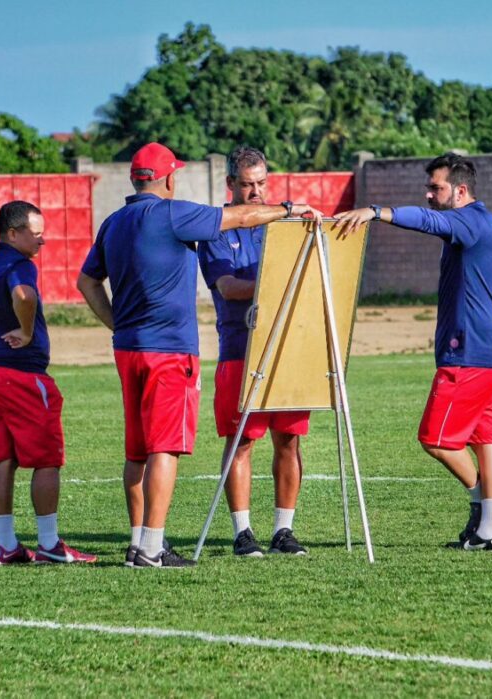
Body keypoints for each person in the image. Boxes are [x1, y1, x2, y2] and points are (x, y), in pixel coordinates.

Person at [76, 142, 324, 568]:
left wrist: (118, 323)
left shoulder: (113, 223)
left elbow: (86, 283)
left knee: (138, 451)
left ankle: (140, 543)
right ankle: (153, 547)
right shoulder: (176, 214)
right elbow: (239, 231)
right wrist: (290, 210)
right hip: (171, 351)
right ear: (170, 178)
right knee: (165, 448)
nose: (255, 191)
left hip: (131, 348)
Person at [335, 153, 492, 552]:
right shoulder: (491, 227)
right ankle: (489, 531)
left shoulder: (466, 221)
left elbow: (427, 221)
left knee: (435, 439)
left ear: (460, 190)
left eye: (436, 188)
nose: (428, 195)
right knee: (487, 443)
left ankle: (484, 501)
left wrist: (375, 212)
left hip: (471, 356)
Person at [0, 200, 97, 565]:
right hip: (21, 375)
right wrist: (24, 329)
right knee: (46, 459)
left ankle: (6, 545)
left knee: (2, 460)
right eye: (36, 234)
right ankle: (50, 544)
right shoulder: (19, 265)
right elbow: (24, 295)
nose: (43, 241)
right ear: (12, 233)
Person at [197, 146, 310, 557]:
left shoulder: (287, 224)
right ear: (230, 184)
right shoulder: (216, 229)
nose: (256, 192)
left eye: (262, 183)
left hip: (288, 352)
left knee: (289, 442)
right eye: (247, 184)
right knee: (241, 442)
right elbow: (227, 287)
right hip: (239, 350)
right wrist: (280, 283)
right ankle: (243, 532)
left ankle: (284, 530)